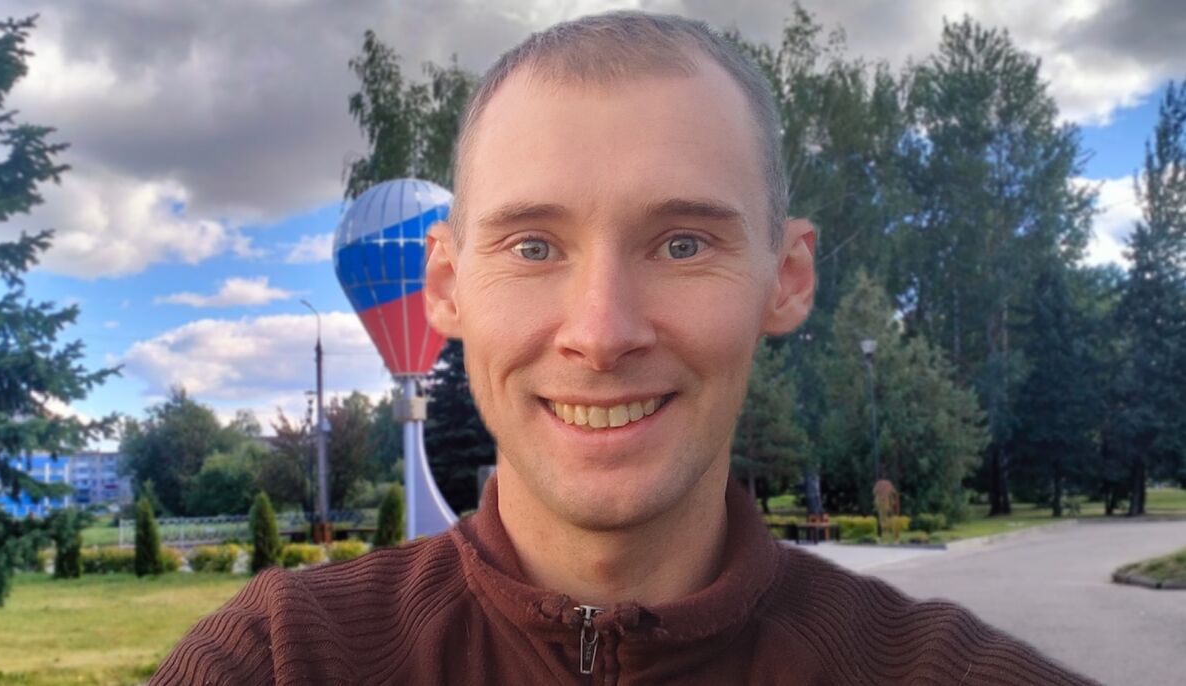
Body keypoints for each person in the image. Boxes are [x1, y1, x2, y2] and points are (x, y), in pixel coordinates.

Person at [150, 11, 1094, 685]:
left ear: (787, 278)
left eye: (682, 245)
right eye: (533, 247)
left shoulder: (946, 673)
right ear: (444, 287)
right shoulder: (284, 660)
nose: (601, 334)